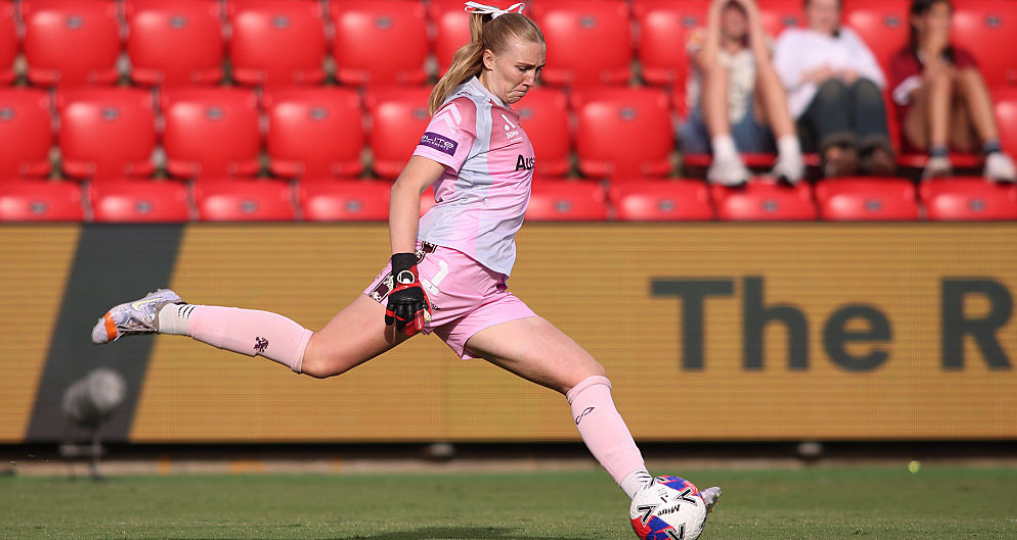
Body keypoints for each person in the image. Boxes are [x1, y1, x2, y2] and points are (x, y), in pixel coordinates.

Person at [90, 0, 721, 523]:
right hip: (442, 271)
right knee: (317, 357)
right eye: (523, 67)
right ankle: (166, 313)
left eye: (540, 69)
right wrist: (405, 273)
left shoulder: (499, 114)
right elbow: (405, 188)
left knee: (584, 375)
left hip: (483, 290)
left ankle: (647, 494)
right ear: (492, 57)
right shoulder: (467, 109)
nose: (532, 79)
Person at [679, 0, 805, 186]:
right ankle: (724, 157)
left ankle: (791, 155)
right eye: (729, 10)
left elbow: (765, 64)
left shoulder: (761, 42)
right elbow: (707, 63)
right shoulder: (701, 37)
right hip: (705, 131)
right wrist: (715, 9)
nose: (735, 17)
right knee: (718, 70)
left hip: (748, 127)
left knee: (768, 73)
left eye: (741, 11)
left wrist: (751, 8)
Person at [889, 0, 1017, 181]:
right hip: (920, 133)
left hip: (958, 130)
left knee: (970, 76)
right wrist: (934, 56)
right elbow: (913, 94)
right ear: (918, 20)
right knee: (941, 80)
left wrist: (952, 76)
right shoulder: (902, 59)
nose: (944, 23)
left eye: (947, 16)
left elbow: (972, 92)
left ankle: (994, 153)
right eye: (937, 16)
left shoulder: (962, 56)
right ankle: (938, 156)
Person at [773, 0, 895, 178]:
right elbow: (776, 81)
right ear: (806, 11)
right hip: (807, 123)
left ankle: (875, 155)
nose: (825, 15)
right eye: (819, 9)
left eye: (830, 10)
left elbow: (879, 80)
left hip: (853, 119)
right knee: (832, 87)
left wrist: (857, 74)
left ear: (839, 13)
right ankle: (835, 156)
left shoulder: (850, 38)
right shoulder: (792, 38)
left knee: (866, 85)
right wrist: (810, 76)